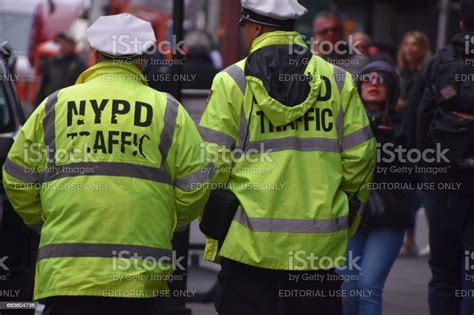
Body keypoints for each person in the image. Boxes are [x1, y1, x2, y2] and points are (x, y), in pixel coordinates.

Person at [3, 13, 212, 315]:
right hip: (140, 281)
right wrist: (168, 221)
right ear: (141, 59)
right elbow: (198, 182)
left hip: (67, 278)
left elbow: (15, 176)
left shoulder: (54, 105)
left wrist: (41, 221)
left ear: (95, 55)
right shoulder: (168, 111)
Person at [198, 1, 376, 314]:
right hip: (316, 248)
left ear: (255, 28)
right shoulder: (337, 81)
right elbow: (361, 158)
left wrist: (220, 218)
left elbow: (212, 164)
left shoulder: (230, 82)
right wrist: (344, 213)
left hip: (247, 247)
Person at [406, 0, 474, 314]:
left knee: (444, 272)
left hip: (441, 178)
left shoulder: (436, 64)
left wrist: (424, 168)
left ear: (461, 25)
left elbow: (415, 121)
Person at [339, 61, 413, 315]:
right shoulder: (345, 121)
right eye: (368, 79)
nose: (374, 85)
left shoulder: (406, 125)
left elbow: (414, 173)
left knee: (369, 287)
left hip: (389, 215)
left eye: (382, 80)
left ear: (392, 88)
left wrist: (389, 139)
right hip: (351, 214)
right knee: (346, 289)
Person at [396, 31, 432, 256]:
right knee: (405, 189)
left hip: (420, 138)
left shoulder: (428, 71)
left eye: (416, 45)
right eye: (407, 44)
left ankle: (428, 237)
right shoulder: (399, 73)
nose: (410, 49)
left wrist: (404, 105)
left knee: (422, 190)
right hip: (399, 137)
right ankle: (408, 238)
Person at [35, 32, 86, 106]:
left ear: (73, 45)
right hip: (51, 103)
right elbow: (43, 85)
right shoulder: (52, 62)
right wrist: (38, 104)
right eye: (62, 43)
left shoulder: (80, 64)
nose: (63, 46)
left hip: (69, 104)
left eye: (66, 43)